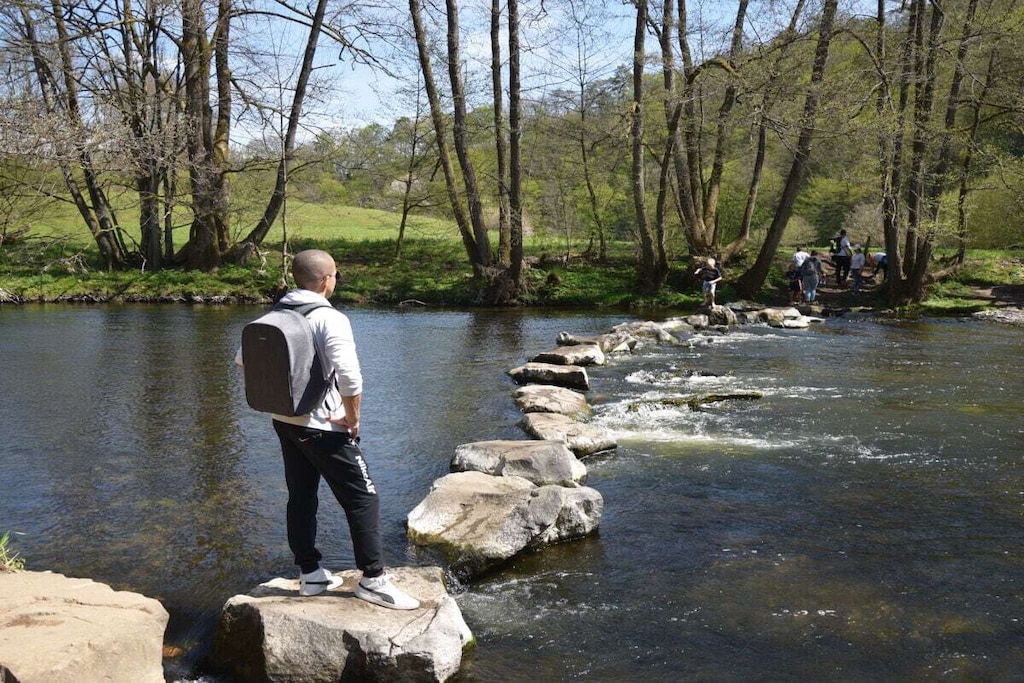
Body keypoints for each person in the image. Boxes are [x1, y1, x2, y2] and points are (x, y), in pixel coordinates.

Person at [237, 249, 419, 609]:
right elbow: (350, 377)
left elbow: (243, 362)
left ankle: (311, 575)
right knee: (363, 498)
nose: (336, 280)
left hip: (285, 421)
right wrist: (352, 418)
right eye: (336, 275)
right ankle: (373, 580)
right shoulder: (329, 318)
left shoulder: (275, 314)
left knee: (301, 497)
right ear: (325, 280)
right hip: (324, 427)